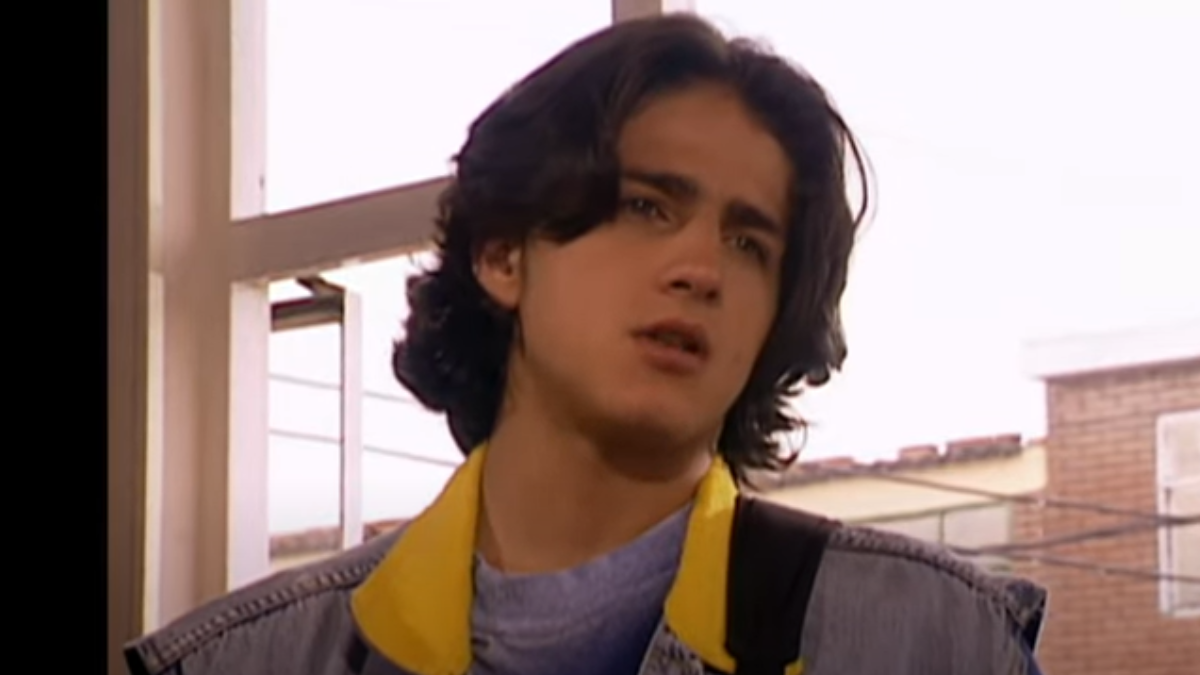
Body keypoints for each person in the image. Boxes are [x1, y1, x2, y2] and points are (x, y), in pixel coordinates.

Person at [125, 13, 1047, 675]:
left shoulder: (932, 640)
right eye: (647, 207)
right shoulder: (247, 659)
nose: (702, 269)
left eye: (748, 242)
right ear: (503, 253)